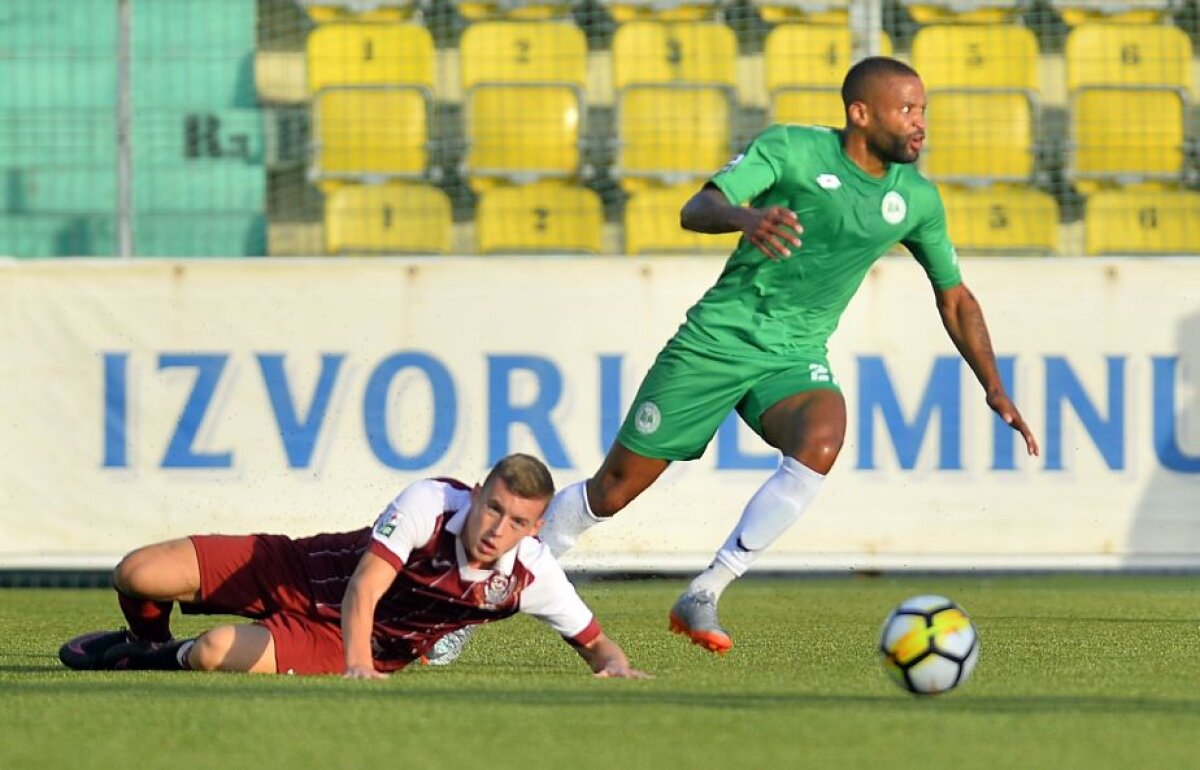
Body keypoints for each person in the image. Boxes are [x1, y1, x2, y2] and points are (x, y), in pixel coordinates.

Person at [432, 56, 1041, 662]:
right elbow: (696, 208)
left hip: (794, 356)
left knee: (822, 439)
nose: (920, 123)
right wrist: (745, 217)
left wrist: (993, 385)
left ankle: (705, 589)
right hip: (715, 344)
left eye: (923, 110)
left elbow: (955, 297)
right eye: (907, 109)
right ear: (861, 113)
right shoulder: (792, 151)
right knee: (611, 493)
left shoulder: (916, 199)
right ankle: (463, 610)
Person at [58, 453, 648, 679]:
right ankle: (143, 642)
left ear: (535, 529)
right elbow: (366, 585)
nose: (498, 529)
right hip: (295, 567)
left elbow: (598, 644)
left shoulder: (529, 575)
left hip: (329, 639)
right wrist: (358, 669)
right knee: (136, 572)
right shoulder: (432, 501)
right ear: (476, 492)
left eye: (517, 522)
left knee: (213, 651)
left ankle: (155, 660)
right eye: (493, 508)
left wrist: (615, 668)